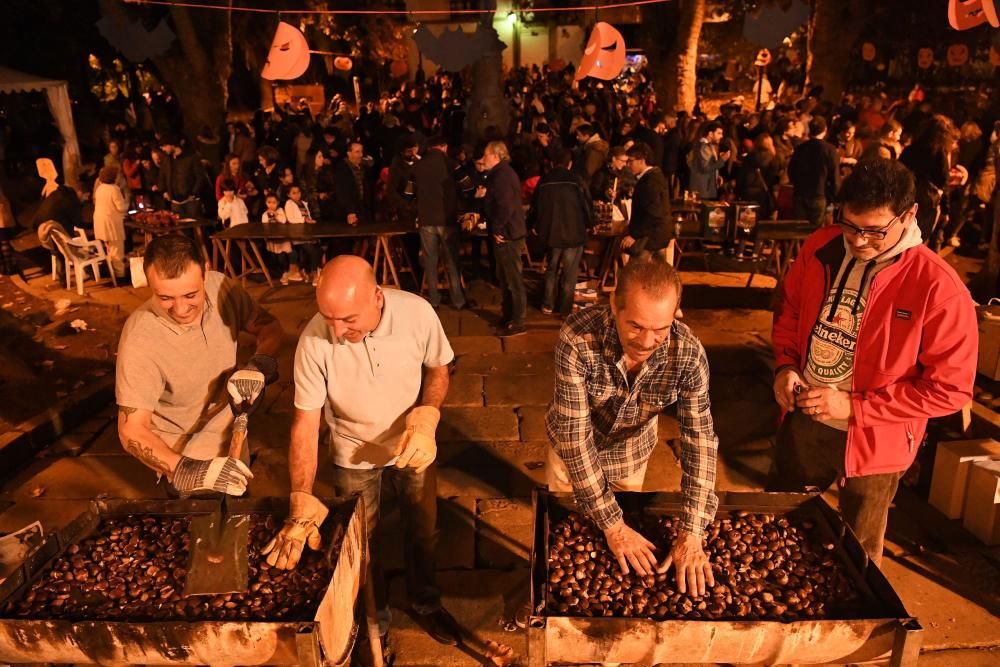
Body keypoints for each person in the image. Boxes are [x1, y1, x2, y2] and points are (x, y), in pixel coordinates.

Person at [770, 157, 977, 564]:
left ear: (910, 214)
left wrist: (855, 407)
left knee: (858, 554)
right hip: (803, 421)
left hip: (876, 443)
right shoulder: (823, 245)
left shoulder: (939, 287)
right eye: (850, 226)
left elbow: (950, 390)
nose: (859, 241)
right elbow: (789, 308)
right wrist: (785, 366)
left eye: (875, 232)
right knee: (777, 531)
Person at [263, 255, 461, 649]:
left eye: (349, 320)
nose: (336, 331)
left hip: (411, 443)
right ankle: (376, 618)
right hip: (352, 450)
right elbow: (305, 423)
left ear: (377, 296)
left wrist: (427, 417)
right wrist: (300, 493)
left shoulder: (416, 313)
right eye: (328, 317)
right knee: (361, 543)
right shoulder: (313, 341)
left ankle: (426, 602)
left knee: (423, 528)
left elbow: (440, 367)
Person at [546, 256, 719, 594]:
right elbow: (575, 438)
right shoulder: (578, 338)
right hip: (572, 447)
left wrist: (693, 532)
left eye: (661, 329)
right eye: (636, 326)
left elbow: (699, 441)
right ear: (614, 304)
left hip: (631, 451)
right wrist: (613, 526)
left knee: (626, 531)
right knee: (567, 524)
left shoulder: (689, 355)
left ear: (676, 315)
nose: (646, 341)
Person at [116, 234, 284, 495]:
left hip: (236, 446)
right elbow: (131, 430)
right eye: (165, 298)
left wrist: (257, 364)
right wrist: (187, 470)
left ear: (205, 271)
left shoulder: (221, 288)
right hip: (185, 462)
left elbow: (270, 327)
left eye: (190, 294)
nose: (181, 309)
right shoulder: (141, 338)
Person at [529, 147, 594, 317]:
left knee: (551, 270)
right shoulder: (577, 180)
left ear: (552, 163)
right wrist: (590, 224)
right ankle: (565, 309)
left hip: (551, 234)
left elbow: (535, 207)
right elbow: (587, 206)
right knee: (569, 273)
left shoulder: (544, 181)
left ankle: (547, 304)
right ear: (569, 164)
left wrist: (533, 225)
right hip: (574, 234)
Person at [479, 141, 528, 337]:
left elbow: (505, 205)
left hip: (508, 235)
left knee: (513, 280)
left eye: (486, 155)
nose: (483, 160)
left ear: (496, 156)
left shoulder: (502, 176)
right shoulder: (499, 175)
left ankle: (517, 321)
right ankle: (508, 316)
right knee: (505, 278)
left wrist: (498, 229)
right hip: (506, 233)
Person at [414, 135, 468, 310]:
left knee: (430, 261)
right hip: (447, 219)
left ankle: (434, 299)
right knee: (451, 261)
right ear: (444, 147)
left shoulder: (418, 165)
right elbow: (467, 185)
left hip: (426, 219)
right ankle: (458, 299)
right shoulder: (452, 164)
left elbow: (407, 192)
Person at [622, 142, 673, 262]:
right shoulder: (653, 177)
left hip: (650, 237)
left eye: (630, 161)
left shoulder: (651, 181)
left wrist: (635, 235)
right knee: (657, 274)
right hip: (656, 234)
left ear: (641, 160)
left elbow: (653, 211)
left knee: (636, 275)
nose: (628, 165)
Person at [788, 116, 840, 227]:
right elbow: (834, 175)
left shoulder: (800, 148)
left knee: (800, 230)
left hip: (800, 194)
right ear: (825, 130)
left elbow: (791, 171)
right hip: (819, 194)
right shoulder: (830, 150)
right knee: (816, 231)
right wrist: (835, 197)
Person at [93, 165, 129, 278]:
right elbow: (121, 207)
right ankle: (120, 275)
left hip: (100, 222)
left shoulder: (100, 187)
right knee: (117, 250)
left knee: (109, 248)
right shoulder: (114, 189)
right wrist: (127, 200)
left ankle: (113, 271)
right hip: (111, 223)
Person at [159, 137, 201, 218]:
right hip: (175, 201)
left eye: (164, 146)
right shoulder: (167, 159)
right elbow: (162, 176)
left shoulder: (191, 157)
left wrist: (194, 193)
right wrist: (164, 191)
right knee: (181, 228)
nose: (163, 149)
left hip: (191, 201)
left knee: (196, 225)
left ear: (172, 144)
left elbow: (199, 176)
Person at [687, 121, 731, 200]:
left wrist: (716, 176)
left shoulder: (708, 146)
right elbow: (705, 168)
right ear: (710, 134)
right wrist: (722, 160)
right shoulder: (704, 147)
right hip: (703, 190)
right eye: (719, 133)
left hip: (705, 188)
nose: (721, 136)